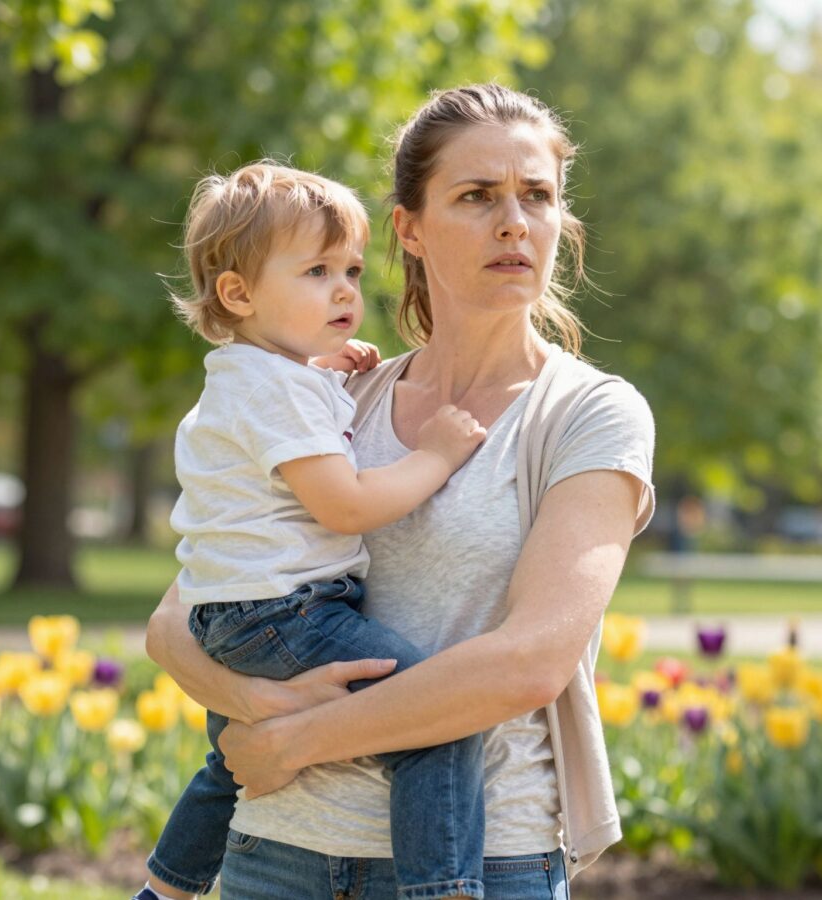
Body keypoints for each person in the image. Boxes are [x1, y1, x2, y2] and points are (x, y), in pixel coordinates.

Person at [146, 83, 655, 900]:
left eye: (537, 196)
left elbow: (529, 664)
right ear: (409, 229)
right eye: (477, 196)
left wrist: (294, 739)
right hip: (277, 855)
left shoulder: (589, 414)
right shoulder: (332, 398)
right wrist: (250, 708)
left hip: (488, 864)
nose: (514, 223)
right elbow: (178, 618)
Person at [137, 161, 489, 900]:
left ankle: (164, 891)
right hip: (288, 614)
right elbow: (345, 505)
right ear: (237, 292)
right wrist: (438, 455)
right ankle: (445, 892)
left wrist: (322, 367)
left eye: (353, 271)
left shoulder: (254, 376)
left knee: (232, 764)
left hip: (235, 615)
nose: (345, 291)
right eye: (317, 271)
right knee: (433, 721)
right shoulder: (278, 391)